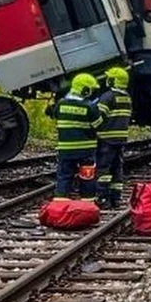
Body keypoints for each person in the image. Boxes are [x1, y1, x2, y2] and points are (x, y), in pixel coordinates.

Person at [48, 73, 103, 201]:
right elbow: (98, 125)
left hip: (65, 150)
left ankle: (60, 204)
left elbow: (55, 116)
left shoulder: (61, 104)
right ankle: (88, 203)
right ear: (85, 90)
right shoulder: (89, 106)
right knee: (87, 177)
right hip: (86, 151)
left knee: (64, 176)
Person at [94, 67, 132, 209]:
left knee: (103, 169)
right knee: (117, 168)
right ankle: (116, 197)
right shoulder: (127, 97)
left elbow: (99, 116)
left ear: (113, 81)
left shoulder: (108, 97)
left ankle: (103, 197)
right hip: (120, 139)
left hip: (106, 139)